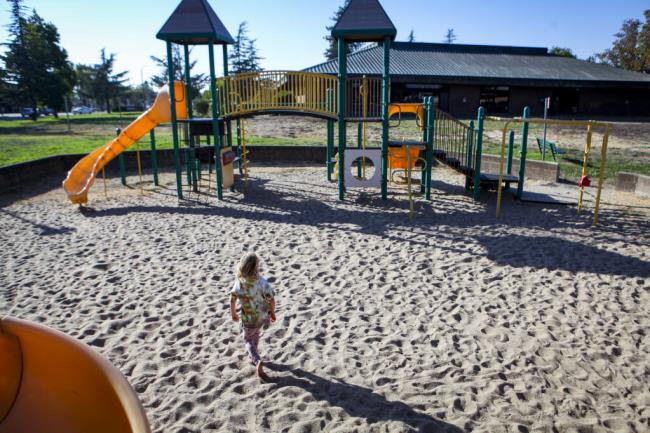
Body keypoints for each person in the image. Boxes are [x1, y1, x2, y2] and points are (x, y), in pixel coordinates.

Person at [230, 252, 276, 380]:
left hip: (248, 318)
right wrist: (272, 312)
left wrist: (233, 313)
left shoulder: (240, 282)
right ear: (256, 267)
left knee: (247, 340)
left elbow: (233, 298)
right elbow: (271, 298)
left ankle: (256, 359)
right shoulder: (262, 282)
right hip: (261, 316)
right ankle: (254, 353)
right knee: (255, 334)